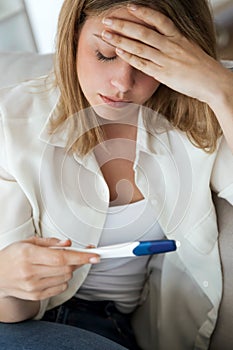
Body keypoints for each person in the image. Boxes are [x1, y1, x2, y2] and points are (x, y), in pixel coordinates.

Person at [0, 0, 233, 349]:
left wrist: (221, 89)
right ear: (73, 38)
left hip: (114, 330)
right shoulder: (13, 121)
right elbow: (15, 311)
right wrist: (6, 280)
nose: (123, 83)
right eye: (106, 55)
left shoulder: (206, 108)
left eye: (148, 60)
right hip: (29, 323)